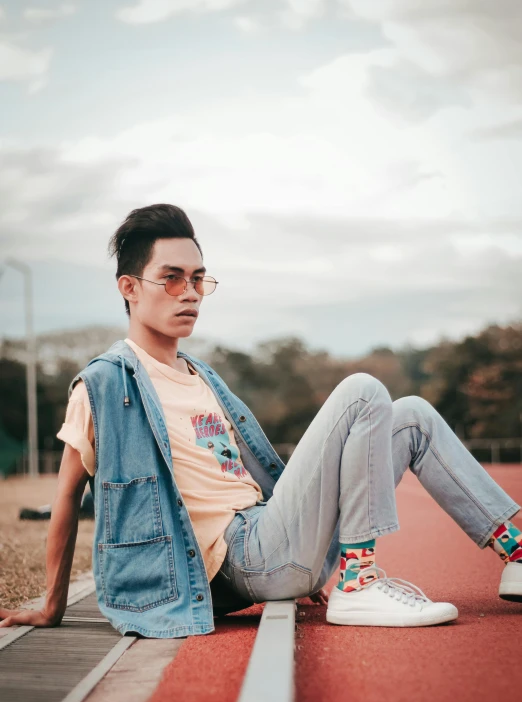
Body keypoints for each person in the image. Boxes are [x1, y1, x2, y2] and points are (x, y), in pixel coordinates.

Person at [1, 204, 520, 637]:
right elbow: (68, 494)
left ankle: (514, 554)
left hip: (276, 541)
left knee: (413, 416)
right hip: (242, 557)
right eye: (172, 278)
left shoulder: (202, 377)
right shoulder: (106, 386)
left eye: (199, 279)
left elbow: (249, 478)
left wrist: (305, 538)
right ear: (130, 288)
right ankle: (358, 585)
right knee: (363, 391)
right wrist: (53, 604)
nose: (190, 293)